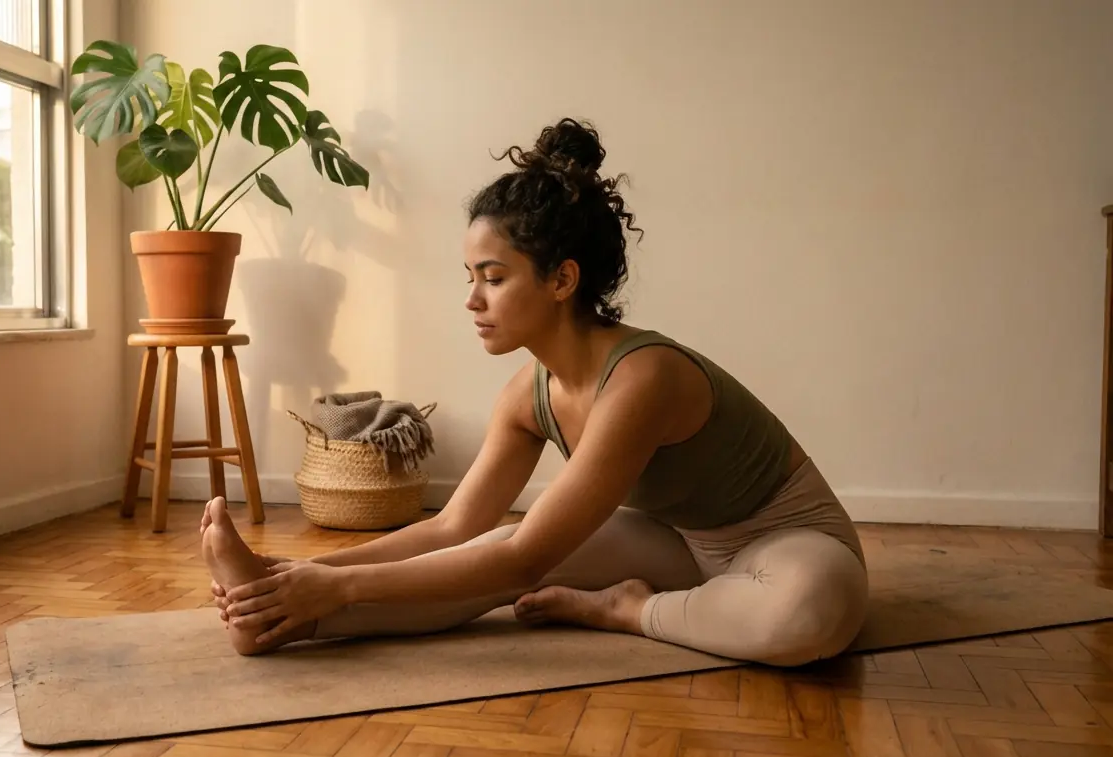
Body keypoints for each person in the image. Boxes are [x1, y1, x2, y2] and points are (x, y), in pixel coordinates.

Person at [200, 117, 869, 667]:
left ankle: (626, 609)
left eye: (492, 277)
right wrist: (295, 572)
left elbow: (530, 557)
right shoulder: (529, 395)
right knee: (476, 559)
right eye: (470, 276)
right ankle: (278, 619)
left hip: (785, 541)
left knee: (804, 616)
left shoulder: (643, 378)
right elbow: (453, 527)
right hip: (677, 541)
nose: (472, 299)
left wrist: (339, 583)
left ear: (561, 280)